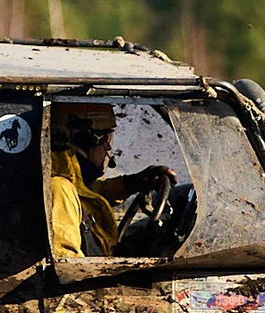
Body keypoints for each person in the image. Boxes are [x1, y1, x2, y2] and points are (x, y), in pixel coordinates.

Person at [47, 106, 174, 259]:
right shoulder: (59, 189)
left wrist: (134, 182)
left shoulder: (68, 183)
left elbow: (92, 194)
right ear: (93, 139)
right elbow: (66, 263)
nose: (109, 146)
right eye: (107, 138)